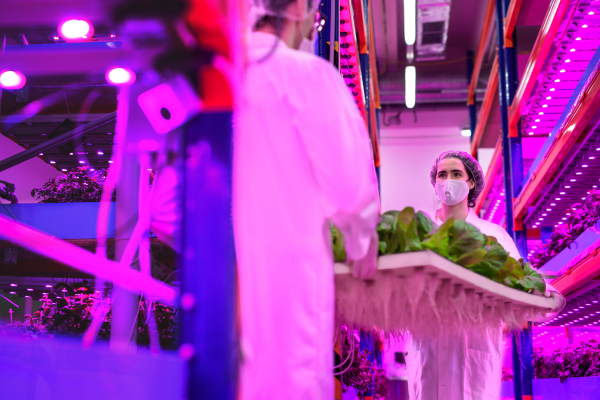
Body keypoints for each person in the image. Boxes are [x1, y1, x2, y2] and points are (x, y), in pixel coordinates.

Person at [233, 0, 381, 398]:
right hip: (289, 287)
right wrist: (361, 247)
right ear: (297, 8)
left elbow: (163, 208)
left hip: (213, 293)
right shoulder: (306, 75)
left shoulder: (211, 79)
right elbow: (351, 194)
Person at [406, 150, 564, 400]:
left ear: (470, 183)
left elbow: (521, 282)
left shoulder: (494, 237)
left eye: (456, 174)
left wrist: (546, 295)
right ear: (434, 184)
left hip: (474, 357)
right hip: (428, 356)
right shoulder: (418, 235)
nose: (448, 180)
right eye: (442, 175)